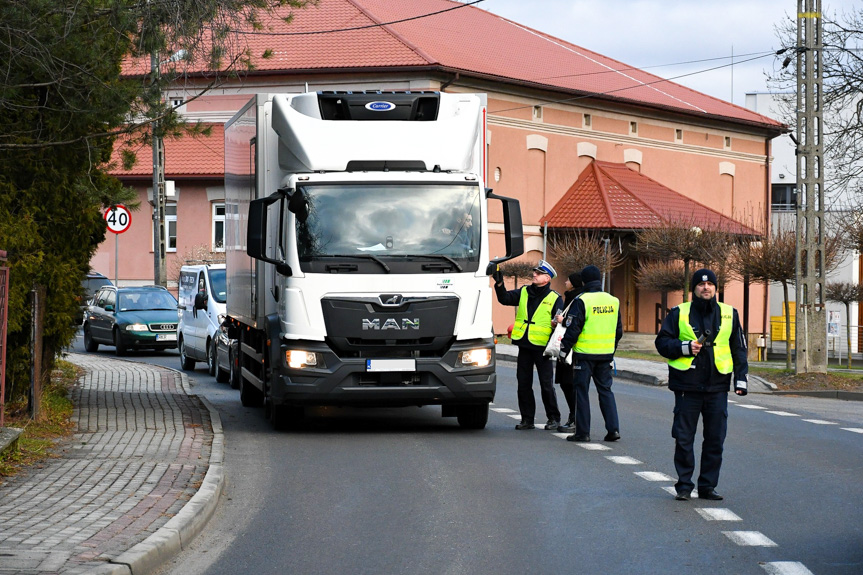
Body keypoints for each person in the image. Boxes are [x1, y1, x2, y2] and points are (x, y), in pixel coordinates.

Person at [654, 269, 748, 502]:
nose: (706, 288)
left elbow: (739, 348)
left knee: (715, 438)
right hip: (688, 385)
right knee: (684, 438)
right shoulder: (679, 312)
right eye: (701, 285)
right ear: (693, 289)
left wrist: (741, 379)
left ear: (716, 288)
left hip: (717, 386)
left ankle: (707, 486)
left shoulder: (729, 313)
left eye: (710, 285)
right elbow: (662, 342)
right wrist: (685, 347)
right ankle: (684, 486)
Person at [494, 259, 563, 430]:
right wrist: (500, 283)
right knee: (523, 383)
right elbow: (504, 299)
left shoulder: (555, 298)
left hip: (542, 348)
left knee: (546, 385)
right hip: (525, 345)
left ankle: (553, 418)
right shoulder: (524, 291)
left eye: (539, 273)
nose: (534, 274)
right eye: (534, 272)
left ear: (547, 278)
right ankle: (527, 419)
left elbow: (559, 322)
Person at [558, 265, 623, 443]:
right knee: (606, 391)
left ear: (585, 281)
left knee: (581, 392)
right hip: (605, 355)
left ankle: (583, 433)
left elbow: (573, 329)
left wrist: (563, 351)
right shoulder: (613, 300)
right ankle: (613, 430)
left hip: (584, 355)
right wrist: (611, 348)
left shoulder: (582, 300)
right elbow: (619, 331)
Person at [553, 271, 585, 432]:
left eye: (568, 280)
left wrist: (563, 320)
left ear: (574, 283)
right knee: (566, 383)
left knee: (570, 383)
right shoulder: (570, 296)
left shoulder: (578, 299)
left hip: (572, 347)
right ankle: (574, 416)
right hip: (565, 344)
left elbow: (576, 322)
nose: (565, 282)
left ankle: (575, 418)